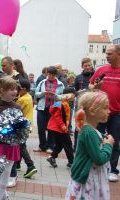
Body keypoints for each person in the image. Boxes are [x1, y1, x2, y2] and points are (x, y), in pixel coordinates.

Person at [65, 90, 114, 200]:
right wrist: (108, 145)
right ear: (92, 111)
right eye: (105, 108)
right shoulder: (88, 132)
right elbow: (99, 159)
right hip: (88, 180)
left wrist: (103, 139)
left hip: (90, 177)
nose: (109, 111)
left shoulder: (90, 130)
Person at [89, 44, 120, 182]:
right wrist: (95, 86)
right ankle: (98, 163)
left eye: (110, 54)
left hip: (116, 113)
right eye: (106, 53)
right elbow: (90, 85)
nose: (107, 56)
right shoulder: (101, 70)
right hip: (100, 112)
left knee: (114, 140)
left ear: (118, 54)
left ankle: (113, 170)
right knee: (97, 138)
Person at [0, 76, 21, 199]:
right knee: (1, 167)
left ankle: (0, 194)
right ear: (2, 91)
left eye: (15, 89)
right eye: (11, 89)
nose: (14, 92)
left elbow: (21, 125)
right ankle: (2, 192)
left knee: (8, 168)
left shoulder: (17, 107)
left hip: (12, 143)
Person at [8, 79, 37, 185]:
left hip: (22, 125)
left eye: (18, 89)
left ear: (23, 89)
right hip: (27, 124)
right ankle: (18, 164)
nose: (16, 91)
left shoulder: (21, 100)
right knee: (20, 145)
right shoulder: (28, 96)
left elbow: (15, 112)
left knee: (21, 146)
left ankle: (30, 166)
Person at [34, 66, 65, 153]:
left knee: (51, 128)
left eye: (53, 75)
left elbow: (63, 97)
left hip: (54, 108)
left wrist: (56, 96)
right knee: (41, 128)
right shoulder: (42, 82)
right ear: (47, 73)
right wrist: (43, 93)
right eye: (49, 74)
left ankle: (50, 146)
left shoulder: (60, 84)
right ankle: (42, 146)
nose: (51, 76)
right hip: (42, 108)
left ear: (56, 75)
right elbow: (36, 94)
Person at [46, 88, 76, 168]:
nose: (74, 97)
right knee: (68, 144)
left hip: (55, 127)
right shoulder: (63, 104)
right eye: (73, 95)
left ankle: (52, 157)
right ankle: (71, 162)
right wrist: (63, 126)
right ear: (68, 95)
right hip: (59, 128)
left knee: (60, 144)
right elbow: (58, 116)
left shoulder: (60, 103)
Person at [73, 57, 94, 150]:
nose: (88, 67)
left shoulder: (95, 75)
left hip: (92, 104)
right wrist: (78, 91)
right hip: (80, 104)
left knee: (91, 125)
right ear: (82, 66)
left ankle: (89, 146)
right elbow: (74, 91)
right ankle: (76, 146)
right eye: (85, 66)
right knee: (79, 125)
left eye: (89, 65)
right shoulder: (78, 77)